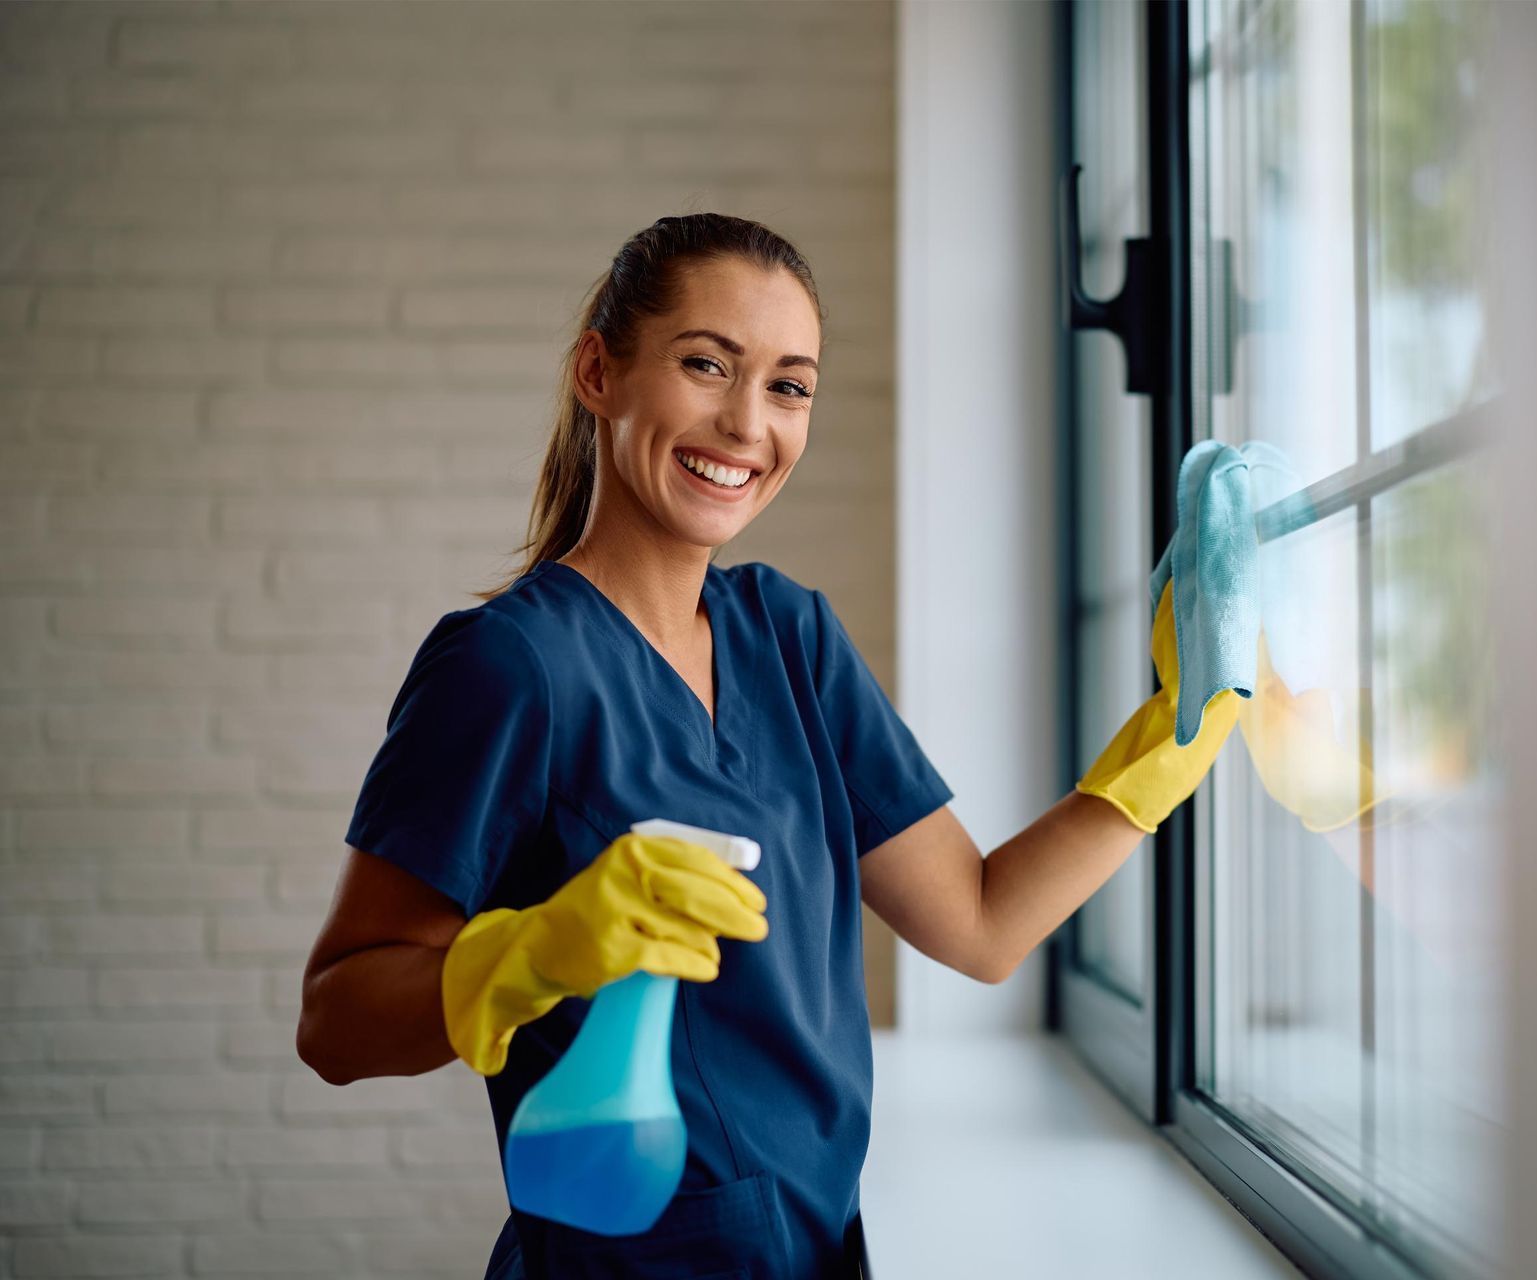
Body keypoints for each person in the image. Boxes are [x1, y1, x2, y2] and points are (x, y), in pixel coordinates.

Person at [296, 213, 1240, 1280]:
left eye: (790, 386)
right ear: (598, 372)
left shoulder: (791, 637)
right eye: (707, 365)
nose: (748, 423)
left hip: (823, 1254)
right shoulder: (511, 667)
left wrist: (1174, 732)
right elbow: (335, 1019)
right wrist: (532, 952)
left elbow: (980, 922)